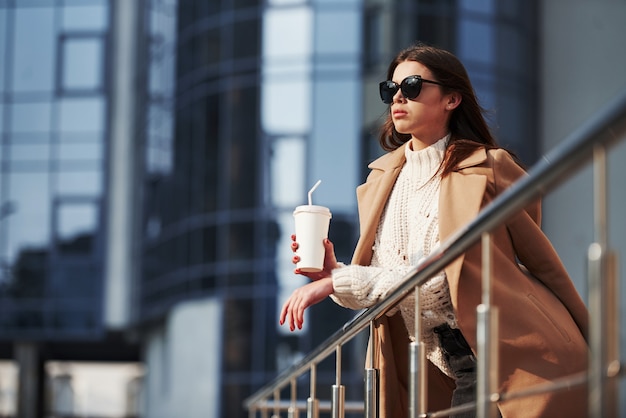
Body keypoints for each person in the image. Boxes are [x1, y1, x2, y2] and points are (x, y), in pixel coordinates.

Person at [279, 43, 589, 418]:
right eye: (389, 89)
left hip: (512, 355)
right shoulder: (381, 182)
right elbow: (387, 285)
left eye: (411, 86)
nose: (397, 98)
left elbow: (442, 278)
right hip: (446, 365)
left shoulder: (488, 169)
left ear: (452, 99)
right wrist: (336, 274)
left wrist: (339, 283)